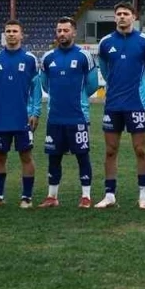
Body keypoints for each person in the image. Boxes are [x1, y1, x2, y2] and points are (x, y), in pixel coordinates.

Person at [95, 3, 145, 209]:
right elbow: (105, 71)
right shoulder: (105, 43)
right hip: (113, 104)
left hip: (136, 104)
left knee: (140, 149)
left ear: (133, 17)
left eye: (126, 14)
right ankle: (110, 195)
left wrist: (137, 89)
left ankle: (144, 195)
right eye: (119, 14)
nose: (122, 17)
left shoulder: (144, 42)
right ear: (115, 18)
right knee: (111, 150)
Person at [38, 16, 97, 208]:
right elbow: (45, 85)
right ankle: (52, 196)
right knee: (53, 156)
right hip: (54, 117)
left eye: (66, 30)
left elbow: (92, 84)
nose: (62, 34)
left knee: (82, 156)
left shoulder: (84, 56)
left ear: (74, 32)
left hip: (77, 116)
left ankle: (86, 196)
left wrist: (77, 98)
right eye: (59, 31)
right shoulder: (48, 57)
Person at [0, 19, 42, 208]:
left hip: (22, 118)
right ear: (4, 35)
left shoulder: (30, 59)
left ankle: (27, 197)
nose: (11, 34)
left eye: (15, 31)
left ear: (21, 35)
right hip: (0, 118)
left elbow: (36, 89)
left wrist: (35, 112)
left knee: (26, 156)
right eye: (8, 31)